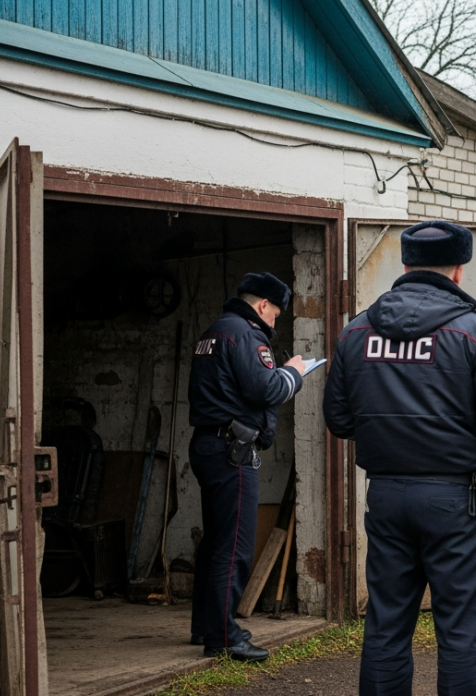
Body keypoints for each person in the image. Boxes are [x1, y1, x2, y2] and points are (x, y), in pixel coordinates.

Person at [323, 220, 476, 696]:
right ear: (459, 271)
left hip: (385, 499)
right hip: (455, 505)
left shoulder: (355, 332)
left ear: (404, 265)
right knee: (462, 637)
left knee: (384, 630)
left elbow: (338, 420)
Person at [186, 272, 307, 662]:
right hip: (232, 451)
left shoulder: (215, 330)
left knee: (214, 541)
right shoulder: (247, 334)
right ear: (262, 306)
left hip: (207, 445)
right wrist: (294, 373)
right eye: (276, 314)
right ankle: (223, 636)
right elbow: (266, 389)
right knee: (234, 546)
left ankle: (206, 624)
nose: (276, 322)